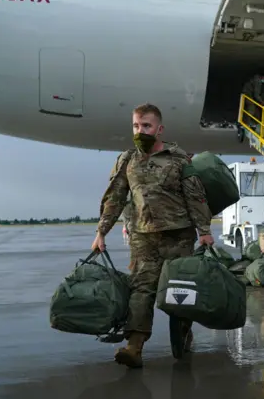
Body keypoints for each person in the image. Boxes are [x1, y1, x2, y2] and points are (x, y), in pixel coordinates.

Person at [91, 103, 214, 368]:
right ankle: (134, 347)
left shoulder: (178, 159)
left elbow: (195, 197)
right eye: (136, 125)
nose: (140, 130)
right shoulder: (128, 160)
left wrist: (204, 231)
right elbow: (115, 197)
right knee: (141, 291)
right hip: (143, 237)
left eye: (146, 126)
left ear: (159, 129)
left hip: (179, 236)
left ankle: (182, 334)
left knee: (180, 291)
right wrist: (101, 231)